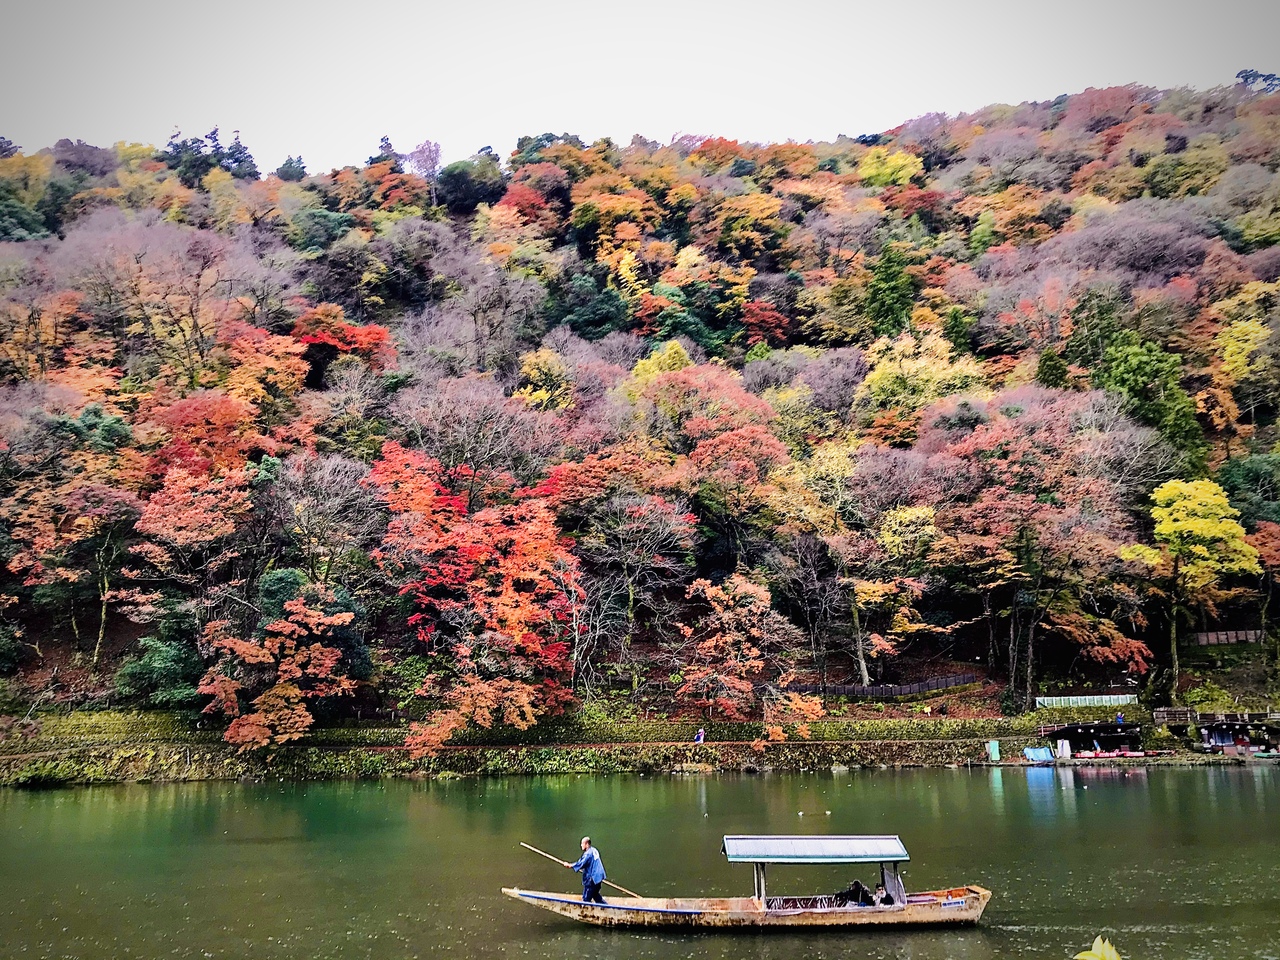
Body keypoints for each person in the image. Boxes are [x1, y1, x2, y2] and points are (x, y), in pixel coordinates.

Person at [568, 836, 606, 904]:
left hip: (593, 878)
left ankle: (585, 912)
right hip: (599, 877)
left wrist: (570, 865)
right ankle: (606, 907)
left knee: (586, 898)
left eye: (582, 843)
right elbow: (583, 861)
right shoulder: (594, 850)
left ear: (587, 844)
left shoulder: (588, 854)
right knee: (595, 895)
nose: (581, 845)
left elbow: (581, 863)